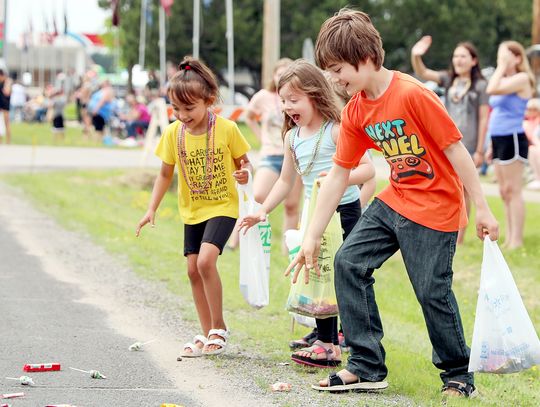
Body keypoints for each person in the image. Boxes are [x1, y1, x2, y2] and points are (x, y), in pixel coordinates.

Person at [286, 9, 499, 397]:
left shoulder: (412, 94)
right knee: (348, 262)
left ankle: (458, 375)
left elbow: (456, 151)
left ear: (365, 58)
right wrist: (311, 235)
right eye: (328, 71)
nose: (333, 79)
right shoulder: (355, 110)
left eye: (337, 69)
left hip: (436, 208)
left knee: (431, 291)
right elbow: (338, 174)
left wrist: (482, 206)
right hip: (397, 200)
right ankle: (366, 366)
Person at [239, 60, 375, 368]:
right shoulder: (292, 138)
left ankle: (342, 340)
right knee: (316, 273)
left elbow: (366, 169)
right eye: (284, 100)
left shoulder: (337, 131)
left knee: (340, 276)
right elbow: (286, 181)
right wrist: (262, 210)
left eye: (294, 100)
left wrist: (339, 178)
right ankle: (325, 341)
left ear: (315, 95)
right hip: (313, 215)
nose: (287, 107)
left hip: (344, 213)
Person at [136, 56, 252, 358]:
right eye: (176, 109)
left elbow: (245, 164)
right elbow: (164, 173)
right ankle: (204, 333)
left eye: (189, 108)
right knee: (191, 269)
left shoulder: (227, 129)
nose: (182, 115)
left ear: (210, 101)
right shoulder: (173, 133)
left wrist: (244, 174)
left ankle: (219, 327)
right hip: (193, 210)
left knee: (205, 262)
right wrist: (151, 209)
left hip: (223, 206)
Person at [411, 36, 489, 244]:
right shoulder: (447, 79)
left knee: (465, 189)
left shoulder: (480, 85)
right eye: (455, 56)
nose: (458, 60)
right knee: (446, 186)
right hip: (445, 142)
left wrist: (481, 149)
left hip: (469, 144)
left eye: (463, 56)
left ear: (473, 60)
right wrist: (416, 55)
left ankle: (460, 236)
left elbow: (483, 118)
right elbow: (423, 73)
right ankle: (445, 228)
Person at [239, 58, 303, 251]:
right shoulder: (263, 96)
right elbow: (248, 117)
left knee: (291, 205)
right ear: (273, 75)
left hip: (293, 156)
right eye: (279, 73)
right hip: (271, 155)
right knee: (257, 195)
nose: (281, 77)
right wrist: (261, 137)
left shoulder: (299, 97)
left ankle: (288, 249)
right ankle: (238, 240)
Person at [486, 41, 535, 249]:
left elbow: (491, 88)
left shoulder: (522, 78)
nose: (502, 61)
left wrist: (501, 67)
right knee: (504, 190)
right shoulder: (505, 79)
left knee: (513, 189)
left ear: (517, 57)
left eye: (505, 56)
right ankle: (508, 237)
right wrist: (490, 145)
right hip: (497, 138)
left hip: (512, 137)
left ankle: (517, 239)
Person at [523, 98, 540, 190]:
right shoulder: (525, 123)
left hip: (536, 146)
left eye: (534, 109)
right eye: (529, 109)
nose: (531, 111)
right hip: (529, 148)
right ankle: (538, 179)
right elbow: (532, 138)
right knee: (533, 150)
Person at [0, 69, 12, 144]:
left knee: (6, 123)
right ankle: (0, 141)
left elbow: (7, 92)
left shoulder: (7, 81)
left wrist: (7, 83)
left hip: (5, 105)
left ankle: (8, 141)